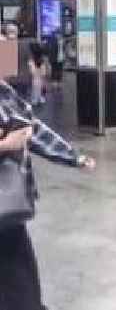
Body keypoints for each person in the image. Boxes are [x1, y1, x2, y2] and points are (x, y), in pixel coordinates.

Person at [0, 78, 95, 310]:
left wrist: (72, 156)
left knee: (23, 284)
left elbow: (32, 127)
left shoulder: (4, 90)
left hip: (7, 210)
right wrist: (5, 145)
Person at [4, 23, 32, 100]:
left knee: (10, 104)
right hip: (23, 80)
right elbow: (30, 64)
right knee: (22, 102)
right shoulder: (24, 45)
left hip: (9, 82)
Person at [27, 41, 49, 107]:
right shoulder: (43, 60)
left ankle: (35, 100)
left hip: (35, 78)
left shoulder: (31, 60)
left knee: (35, 89)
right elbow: (44, 72)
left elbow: (32, 71)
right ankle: (39, 99)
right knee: (39, 88)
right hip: (40, 78)